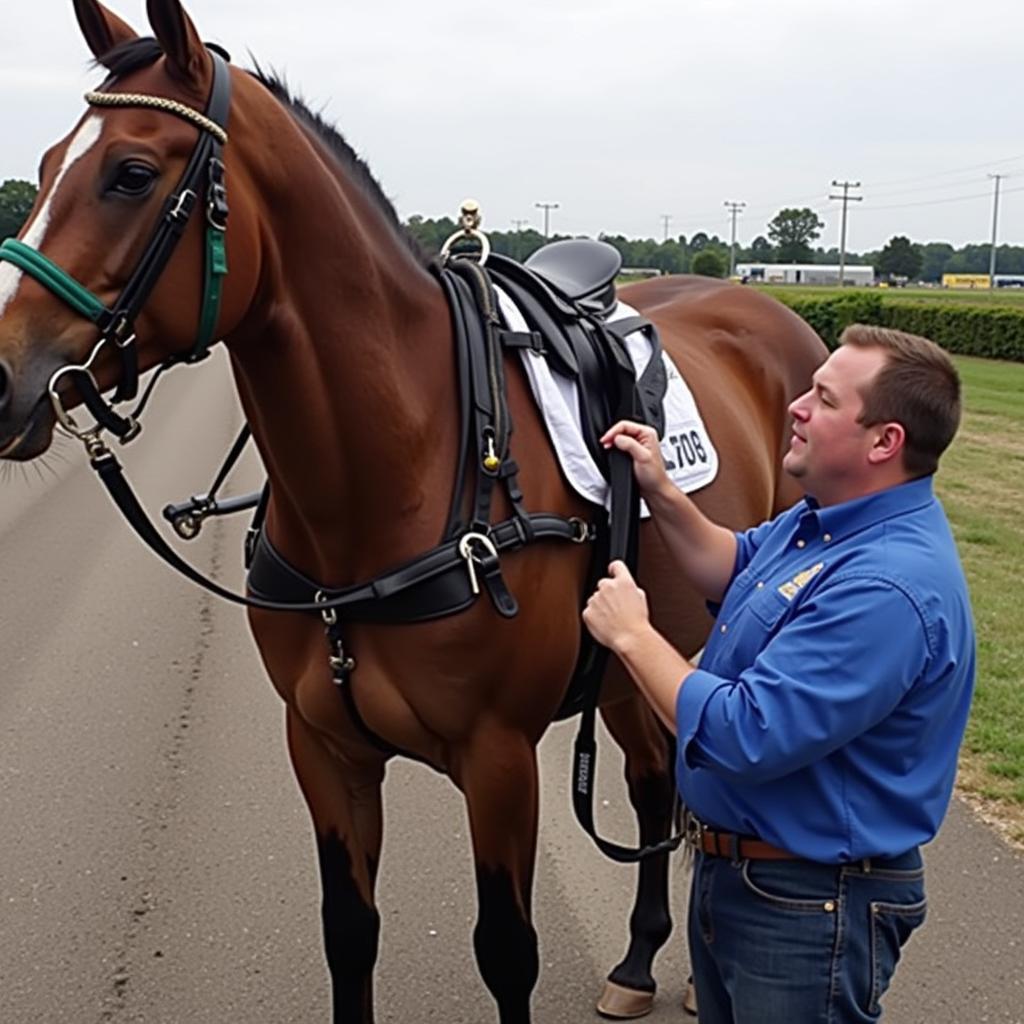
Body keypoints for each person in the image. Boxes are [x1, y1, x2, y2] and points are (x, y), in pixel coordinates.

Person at [582, 324, 976, 1024]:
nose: (795, 406)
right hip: (752, 880)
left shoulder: (886, 587)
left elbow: (743, 733)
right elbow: (732, 565)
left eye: (823, 399)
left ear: (883, 442)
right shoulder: (825, 523)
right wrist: (663, 493)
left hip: (809, 904)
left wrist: (634, 636)